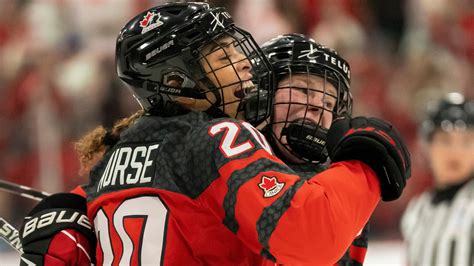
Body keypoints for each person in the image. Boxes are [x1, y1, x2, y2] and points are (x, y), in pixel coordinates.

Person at [18, 2, 410, 266]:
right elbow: (310, 234)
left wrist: (67, 211)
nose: (244, 69)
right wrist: (364, 169)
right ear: (175, 80)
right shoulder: (219, 137)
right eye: (225, 58)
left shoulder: (118, 157)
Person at [255, 33, 372, 266]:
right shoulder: (225, 159)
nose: (318, 107)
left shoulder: (338, 184)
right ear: (263, 93)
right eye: (304, 90)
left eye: (329, 103)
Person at [400, 92, 473, 266]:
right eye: (445, 140)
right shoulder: (416, 210)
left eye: (467, 141)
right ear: (428, 146)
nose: (455, 151)